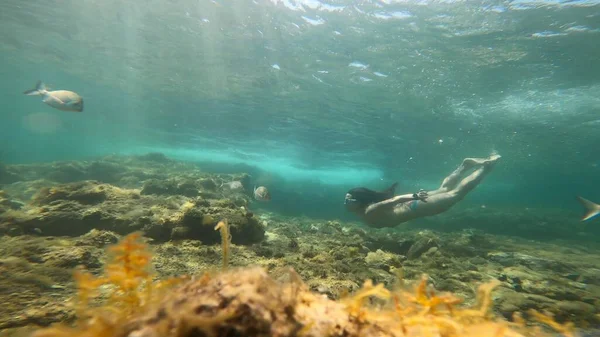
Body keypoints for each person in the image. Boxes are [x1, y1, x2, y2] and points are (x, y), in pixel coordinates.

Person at [344, 154, 501, 228]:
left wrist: (416, 196)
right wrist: (415, 197)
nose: (345, 203)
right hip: (414, 204)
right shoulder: (367, 209)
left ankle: (485, 168)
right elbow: (394, 202)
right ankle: (464, 166)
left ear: (360, 202)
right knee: (444, 189)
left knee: (456, 194)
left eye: (349, 200)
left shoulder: (369, 211)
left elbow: (394, 200)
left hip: (419, 206)